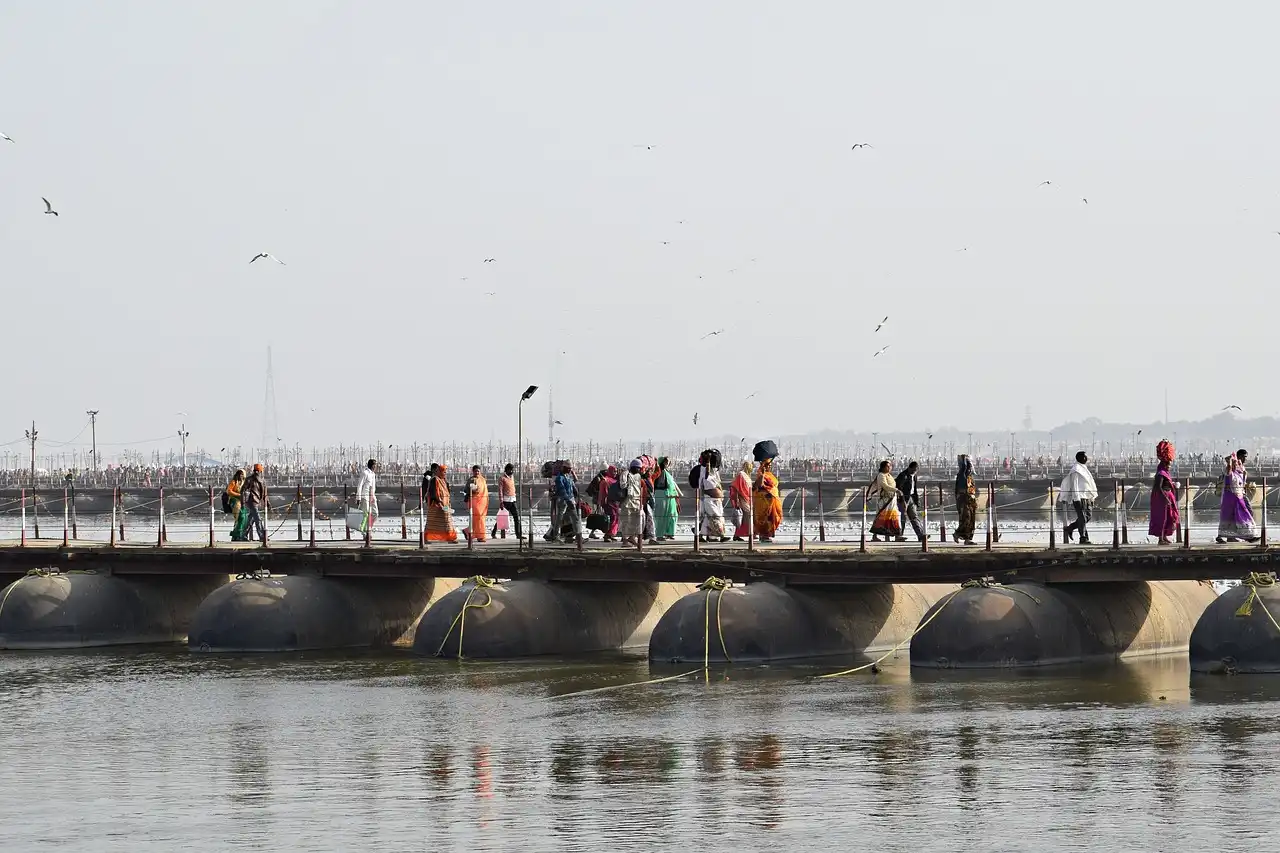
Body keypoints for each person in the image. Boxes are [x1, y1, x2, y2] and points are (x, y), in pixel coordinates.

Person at [1059, 451, 1098, 544]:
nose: (1086, 459)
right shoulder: (1075, 470)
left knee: (1087, 517)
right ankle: (1083, 538)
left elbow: (1089, 484)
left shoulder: (1084, 469)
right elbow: (1074, 485)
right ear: (1080, 458)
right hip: (1079, 497)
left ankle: (1070, 528)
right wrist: (1076, 498)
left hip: (1087, 496)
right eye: (1084, 457)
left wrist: (1092, 497)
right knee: (1082, 518)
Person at [1217, 453, 1258, 543]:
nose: (1236, 465)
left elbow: (1242, 483)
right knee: (1228, 518)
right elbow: (1228, 470)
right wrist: (1229, 463)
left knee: (1243, 515)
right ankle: (1222, 536)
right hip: (1230, 499)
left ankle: (1248, 535)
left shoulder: (1239, 473)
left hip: (1238, 498)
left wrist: (1244, 474)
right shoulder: (1230, 473)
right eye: (1235, 464)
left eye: (1237, 464)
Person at [1149, 440, 1179, 545]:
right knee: (1162, 518)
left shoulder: (1166, 473)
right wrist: (1165, 498)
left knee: (1170, 518)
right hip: (1163, 498)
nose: (1170, 466)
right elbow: (1158, 486)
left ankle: (1165, 536)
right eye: (1169, 464)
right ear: (1165, 464)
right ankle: (1161, 538)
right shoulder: (1161, 474)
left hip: (1168, 497)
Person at [869, 460, 903, 542]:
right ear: (883, 467)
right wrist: (896, 490)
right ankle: (875, 536)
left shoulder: (889, 476)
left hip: (892, 500)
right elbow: (885, 486)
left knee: (894, 517)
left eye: (890, 466)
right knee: (882, 517)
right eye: (888, 466)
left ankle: (896, 535)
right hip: (884, 500)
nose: (890, 467)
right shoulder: (881, 475)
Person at [753, 457, 783, 543]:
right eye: (767, 465)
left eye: (770, 465)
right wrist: (762, 476)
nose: (769, 466)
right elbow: (759, 485)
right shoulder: (760, 473)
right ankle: (764, 536)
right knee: (764, 518)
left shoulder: (770, 475)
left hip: (772, 500)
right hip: (764, 500)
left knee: (774, 517)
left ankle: (768, 535)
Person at [699, 455, 728, 542]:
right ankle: (722, 536)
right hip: (709, 500)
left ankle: (701, 536)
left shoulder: (714, 477)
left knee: (709, 519)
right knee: (716, 517)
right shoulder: (705, 476)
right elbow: (707, 470)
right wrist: (708, 460)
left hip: (716, 501)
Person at [894, 460, 925, 542]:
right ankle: (899, 536)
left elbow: (914, 489)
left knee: (914, 517)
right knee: (902, 518)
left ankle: (921, 535)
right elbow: (898, 488)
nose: (914, 471)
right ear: (909, 468)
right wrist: (901, 500)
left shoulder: (914, 476)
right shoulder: (903, 475)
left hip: (911, 498)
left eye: (916, 470)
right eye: (913, 470)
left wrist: (916, 500)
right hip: (903, 499)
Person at [653, 457, 682, 540]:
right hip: (662, 495)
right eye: (666, 462)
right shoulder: (658, 472)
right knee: (661, 516)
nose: (667, 464)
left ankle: (670, 533)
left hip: (671, 496)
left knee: (672, 515)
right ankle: (659, 535)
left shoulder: (667, 473)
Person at [426, 464, 458, 543]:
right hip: (436, 505)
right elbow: (433, 492)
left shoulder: (444, 480)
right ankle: (425, 538)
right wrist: (438, 502)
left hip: (445, 505)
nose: (445, 473)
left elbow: (447, 492)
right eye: (444, 472)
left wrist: (448, 503)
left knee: (448, 522)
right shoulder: (435, 480)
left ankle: (451, 538)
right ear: (439, 471)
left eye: (445, 472)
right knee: (432, 523)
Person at [552, 463, 582, 542]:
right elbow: (562, 491)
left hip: (570, 500)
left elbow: (573, 483)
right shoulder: (559, 478)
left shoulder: (568, 477)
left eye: (570, 469)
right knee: (560, 518)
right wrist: (568, 500)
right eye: (568, 469)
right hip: (563, 501)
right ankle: (556, 535)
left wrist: (573, 473)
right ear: (563, 468)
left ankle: (578, 536)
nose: (569, 470)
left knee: (575, 518)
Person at [618, 459, 646, 545]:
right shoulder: (625, 474)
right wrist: (629, 485)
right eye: (638, 468)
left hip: (636, 501)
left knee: (638, 520)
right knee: (626, 521)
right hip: (627, 501)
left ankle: (632, 537)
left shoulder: (638, 476)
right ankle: (625, 541)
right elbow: (622, 485)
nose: (639, 470)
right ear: (633, 467)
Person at [491, 463, 520, 540]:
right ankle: (493, 533)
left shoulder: (512, 477)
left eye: (512, 470)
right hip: (506, 501)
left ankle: (518, 534)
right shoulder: (502, 478)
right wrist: (501, 502)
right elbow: (500, 490)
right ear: (506, 470)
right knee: (501, 518)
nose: (512, 471)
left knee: (516, 518)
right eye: (510, 470)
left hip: (513, 500)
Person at [953, 455, 977, 545]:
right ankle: (958, 533)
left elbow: (972, 489)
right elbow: (960, 490)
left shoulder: (970, 477)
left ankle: (968, 539)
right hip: (964, 500)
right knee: (966, 518)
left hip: (971, 500)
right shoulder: (961, 475)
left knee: (971, 520)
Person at [730, 459, 754, 541]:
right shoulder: (741, 474)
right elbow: (736, 486)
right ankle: (749, 533)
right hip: (742, 498)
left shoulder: (747, 475)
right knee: (747, 515)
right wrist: (736, 499)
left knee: (744, 517)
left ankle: (738, 534)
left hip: (748, 498)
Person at [243, 463, 267, 543]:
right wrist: (243, 500)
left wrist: (267, 503)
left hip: (257, 502)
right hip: (251, 501)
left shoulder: (262, 480)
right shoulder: (249, 479)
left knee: (251, 518)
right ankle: (262, 536)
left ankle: (243, 535)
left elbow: (264, 493)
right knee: (258, 519)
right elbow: (243, 490)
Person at [355, 458, 379, 534]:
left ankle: (368, 527)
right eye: (375, 465)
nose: (376, 467)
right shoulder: (365, 473)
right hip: (365, 496)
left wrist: (374, 496)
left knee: (375, 513)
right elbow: (360, 485)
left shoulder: (373, 474)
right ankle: (365, 532)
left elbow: (373, 486)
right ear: (372, 465)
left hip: (372, 496)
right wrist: (358, 497)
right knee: (366, 514)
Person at [466, 465, 488, 543]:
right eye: (475, 471)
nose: (477, 472)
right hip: (474, 501)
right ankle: (480, 536)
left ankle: (467, 531)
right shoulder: (471, 479)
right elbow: (466, 490)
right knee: (478, 518)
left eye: (478, 471)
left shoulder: (483, 479)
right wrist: (473, 489)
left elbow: (485, 491)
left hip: (482, 502)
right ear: (473, 471)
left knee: (479, 519)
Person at [225, 468, 248, 541]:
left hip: (243, 502)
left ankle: (238, 535)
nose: (241, 475)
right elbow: (229, 491)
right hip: (235, 502)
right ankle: (236, 535)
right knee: (239, 518)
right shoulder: (234, 482)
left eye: (242, 474)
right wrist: (238, 495)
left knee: (244, 518)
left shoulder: (245, 483)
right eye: (239, 474)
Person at [601, 464, 620, 541]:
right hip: (608, 502)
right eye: (614, 471)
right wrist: (602, 502)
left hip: (615, 502)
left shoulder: (614, 480)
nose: (615, 473)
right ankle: (607, 535)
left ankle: (612, 534)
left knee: (616, 518)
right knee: (612, 518)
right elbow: (603, 492)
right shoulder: (605, 480)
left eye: (616, 471)